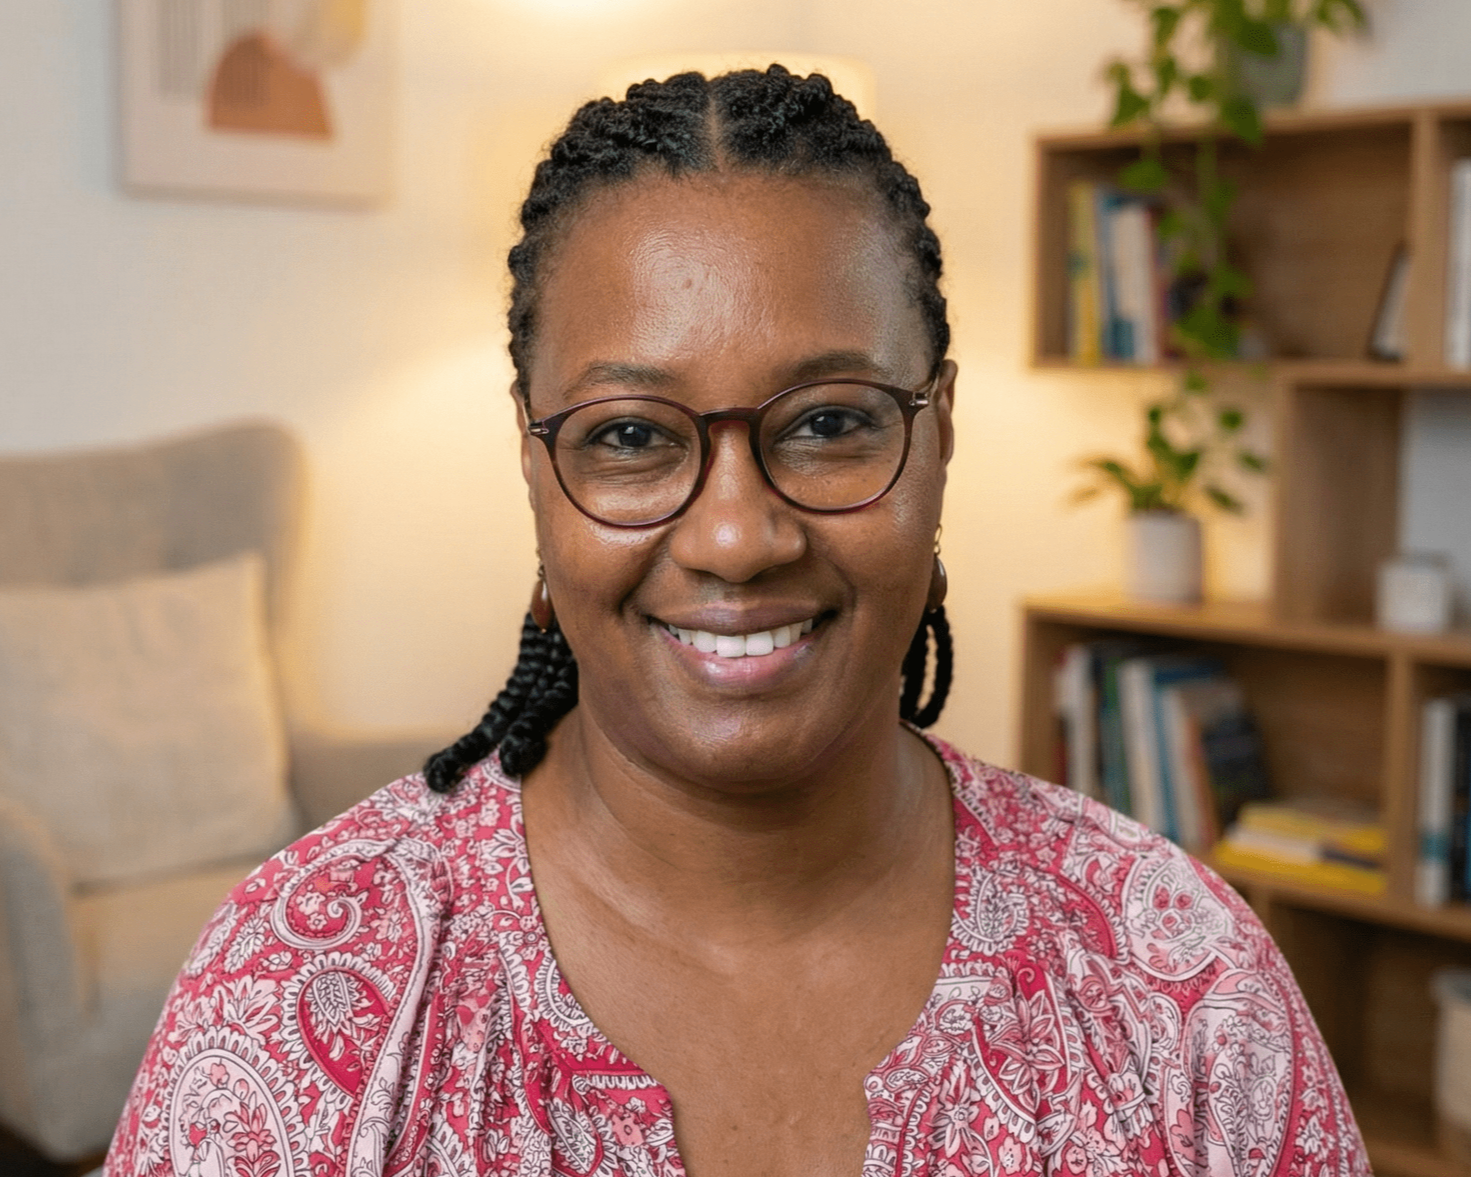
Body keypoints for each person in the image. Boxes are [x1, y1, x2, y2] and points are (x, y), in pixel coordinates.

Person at [104, 66, 1369, 1177]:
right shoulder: (299, 988)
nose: (733, 536)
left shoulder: (1185, 989)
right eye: (632, 438)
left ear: (938, 435)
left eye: (827, 421)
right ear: (537, 469)